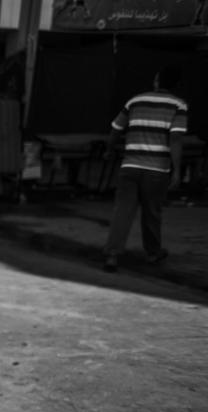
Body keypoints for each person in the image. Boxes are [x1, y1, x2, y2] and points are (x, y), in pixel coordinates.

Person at [102, 65, 187, 273]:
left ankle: (112, 255)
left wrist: (109, 150)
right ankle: (153, 253)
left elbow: (116, 129)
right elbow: (176, 138)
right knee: (152, 212)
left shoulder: (135, 101)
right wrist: (177, 170)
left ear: (156, 81)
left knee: (123, 211)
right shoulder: (179, 105)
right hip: (157, 170)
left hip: (130, 166)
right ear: (176, 85)